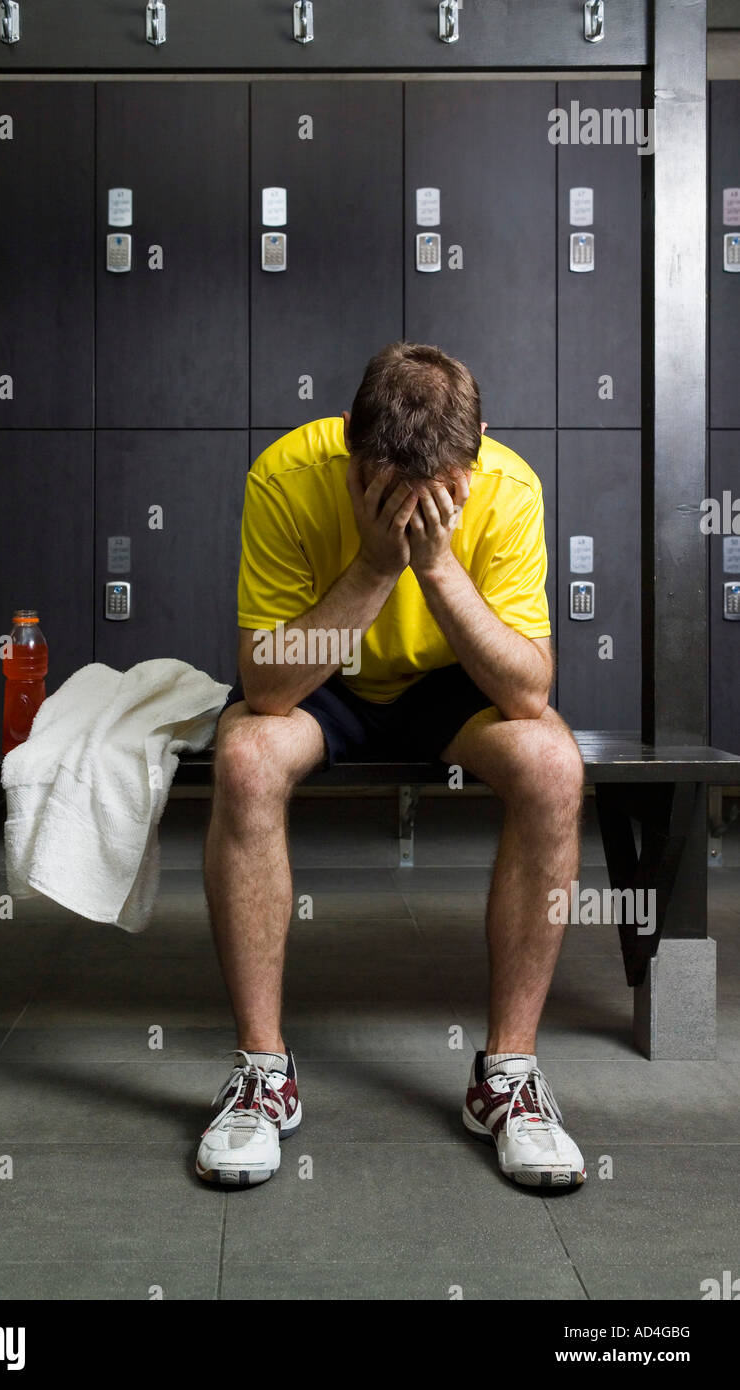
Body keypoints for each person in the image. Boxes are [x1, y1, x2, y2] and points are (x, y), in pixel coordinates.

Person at [196, 341, 585, 1191]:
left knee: (553, 765)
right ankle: (264, 1074)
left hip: (451, 682)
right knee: (247, 757)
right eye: (385, 490)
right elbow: (266, 687)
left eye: (441, 495)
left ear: (478, 447)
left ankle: (505, 1080)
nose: (415, 513)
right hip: (323, 674)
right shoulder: (287, 475)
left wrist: (437, 566)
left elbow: (526, 692)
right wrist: (375, 566)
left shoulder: (510, 489)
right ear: (348, 445)